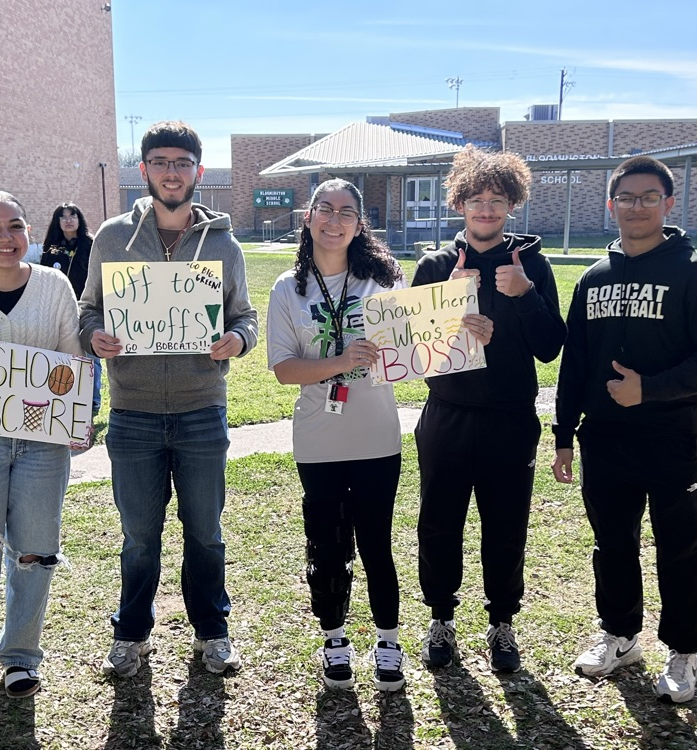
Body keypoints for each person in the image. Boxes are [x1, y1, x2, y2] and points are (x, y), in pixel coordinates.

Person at [79, 120, 258, 678]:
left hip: (202, 408)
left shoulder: (223, 244)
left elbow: (244, 316)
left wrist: (238, 339)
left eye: (182, 163)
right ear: (145, 170)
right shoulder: (112, 238)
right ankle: (131, 634)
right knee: (138, 537)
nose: (172, 172)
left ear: (198, 172)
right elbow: (89, 309)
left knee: (206, 533)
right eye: (161, 162)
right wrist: (94, 335)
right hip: (132, 413)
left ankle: (213, 631)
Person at [413, 146, 566, 673]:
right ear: (459, 203)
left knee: (506, 526)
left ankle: (502, 621)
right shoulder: (434, 265)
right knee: (438, 522)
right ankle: (441, 618)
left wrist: (524, 296)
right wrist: (450, 314)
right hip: (447, 415)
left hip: (509, 418)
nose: (485, 210)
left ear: (511, 205)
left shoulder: (533, 265)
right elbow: (412, 354)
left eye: (496, 201)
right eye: (475, 199)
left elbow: (550, 346)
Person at [552, 155, 697, 703]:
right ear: (611, 205)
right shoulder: (594, 277)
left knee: (681, 547)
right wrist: (564, 432)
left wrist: (650, 390)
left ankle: (686, 650)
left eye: (649, 197)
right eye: (627, 198)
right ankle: (620, 635)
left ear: (668, 202)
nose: (637, 207)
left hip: (675, 436)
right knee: (613, 543)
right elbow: (576, 363)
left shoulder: (689, 271)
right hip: (606, 437)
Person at [267, 178, 409, 691]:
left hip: (377, 437)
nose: (334, 219)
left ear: (359, 223)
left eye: (346, 211)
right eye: (324, 209)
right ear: (308, 217)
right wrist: (341, 361)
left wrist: (466, 320)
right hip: (318, 440)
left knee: (376, 543)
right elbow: (283, 370)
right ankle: (334, 638)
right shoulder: (288, 288)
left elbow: (419, 348)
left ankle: (389, 640)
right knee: (326, 544)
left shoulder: (384, 283)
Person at [0, 191, 82, 702]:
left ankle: (21, 657)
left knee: (34, 551)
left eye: (16, 225)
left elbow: (73, 362)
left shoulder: (53, 285)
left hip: (43, 441)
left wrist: (78, 417)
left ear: (30, 231)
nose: (6, 238)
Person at [41, 202, 101, 415]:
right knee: (62, 353)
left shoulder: (90, 244)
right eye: (63, 216)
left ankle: (92, 401)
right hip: (58, 308)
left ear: (79, 219)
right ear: (57, 221)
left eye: (72, 215)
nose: (68, 220)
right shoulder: (51, 247)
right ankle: (66, 397)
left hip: (86, 307)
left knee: (90, 354)